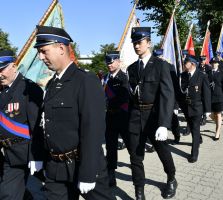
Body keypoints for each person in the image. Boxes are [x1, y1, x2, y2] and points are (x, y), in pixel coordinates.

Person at [34, 25, 115, 200]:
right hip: (55, 166)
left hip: (82, 163)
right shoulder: (52, 84)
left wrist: (87, 173)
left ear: (61, 48)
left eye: (44, 51)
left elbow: (93, 130)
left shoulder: (85, 81)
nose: (41, 57)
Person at [127, 27, 177, 200]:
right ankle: (139, 190)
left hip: (154, 116)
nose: (136, 46)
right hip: (135, 117)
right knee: (135, 156)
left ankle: (171, 177)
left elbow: (167, 95)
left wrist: (164, 124)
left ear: (148, 43)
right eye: (134, 43)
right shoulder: (132, 68)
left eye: (139, 42)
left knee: (163, 151)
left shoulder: (161, 65)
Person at [0, 50, 44, 199]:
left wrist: (35, 156)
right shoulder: (2, 90)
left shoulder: (29, 89)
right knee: (8, 194)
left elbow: (36, 126)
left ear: (14, 66)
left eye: (2, 69)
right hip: (9, 153)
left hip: (27, 151)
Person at [103, 51, 129, 187]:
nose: (109, 65)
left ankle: (137, 173)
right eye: (108, 62)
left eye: (112, 62)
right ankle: (111, 175)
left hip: (123, 117)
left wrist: (110, 97)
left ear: (118, 61)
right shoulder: (106, 78)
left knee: (131, 147)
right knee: (110, 147)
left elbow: (125, 98)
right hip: (109, 117)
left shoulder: (124, 77)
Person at [179, 54, 211, 162]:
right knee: (193, 128)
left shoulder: (202, 76)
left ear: (192, 64)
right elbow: (180, 92)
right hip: (186, 107)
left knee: (195, 128)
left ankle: (194, 154)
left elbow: (206, 94)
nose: (184, 64)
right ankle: (199, 138)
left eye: (185, 62)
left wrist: (207, 110)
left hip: (197, 107)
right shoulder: (182, 75)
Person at [153, 49, 181, 144]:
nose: (158, 59)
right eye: (156, 57)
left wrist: (176, 105)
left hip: (169, 99)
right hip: (156, 100)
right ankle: (156, 141)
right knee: (156, 121)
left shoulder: (169, 67)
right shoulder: (151, 67)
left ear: (162, 57)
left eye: (159, 57)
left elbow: (175, 86)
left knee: (173, 121)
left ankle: (177, 136)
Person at [209, 57, 223, 140]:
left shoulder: (222, 73)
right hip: (209, 97)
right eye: (212, 62)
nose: (214, 64)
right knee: (210, 114)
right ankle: (219, 122)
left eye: (215, 62)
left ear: (218, 64)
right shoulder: (207, 72)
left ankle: (217, 132)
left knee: (218, 114)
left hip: (218, 97)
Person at [198, 55, 212, 126]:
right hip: (199, 88)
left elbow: (210, 79)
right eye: (201, 60)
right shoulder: (197, 67)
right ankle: (200, 116)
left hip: (206, 88)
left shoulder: (208, 68)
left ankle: (204, 117)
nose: (202, 61)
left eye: (203, 60)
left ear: (205, 60)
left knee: (205, 103)